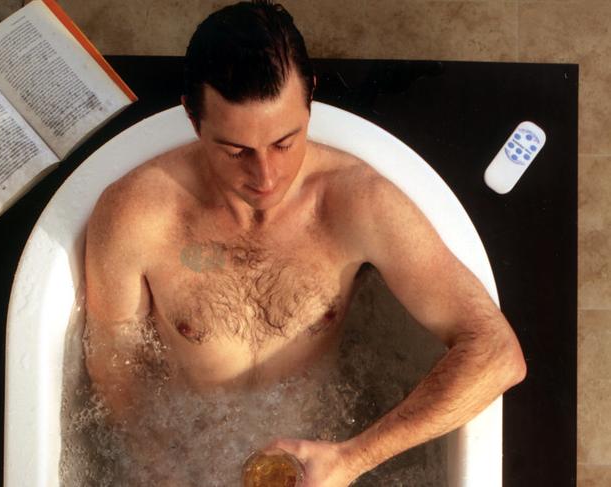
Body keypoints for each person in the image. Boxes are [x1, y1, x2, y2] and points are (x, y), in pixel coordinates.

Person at [83, 1, 527, 485]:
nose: (266, 177)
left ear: (310, 97)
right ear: (193, 117)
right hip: (182, 458)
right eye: (237, 151)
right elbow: (114, 362)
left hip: (330, 453)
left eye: (284, 142)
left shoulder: (358, 204)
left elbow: (496, 353)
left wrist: (353, 458)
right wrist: (157, 462)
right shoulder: (136, 214)